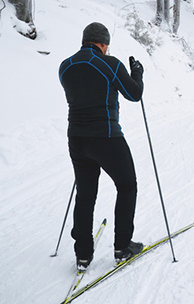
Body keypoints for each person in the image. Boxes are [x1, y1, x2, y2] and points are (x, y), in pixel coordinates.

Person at [59, 22, 145, 272]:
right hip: (106, 137)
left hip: (76, 138)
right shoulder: (110, 63)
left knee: (85, 194)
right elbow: (134, 94)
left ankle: (83, 255)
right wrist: (137, 72)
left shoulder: (65, 66)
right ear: (103, 43)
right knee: (127, 185)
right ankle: (122, 247)